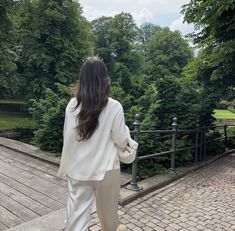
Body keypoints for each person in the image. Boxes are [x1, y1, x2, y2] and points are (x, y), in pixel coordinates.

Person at [58, 57, 133, 231]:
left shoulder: (72, 105)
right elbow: (121, 141)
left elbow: (68, 136)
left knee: (76, 219)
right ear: (105, 79)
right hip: (106, 169)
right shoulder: (114, 107)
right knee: (108, 217)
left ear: (82, 79)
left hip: (79, 169)